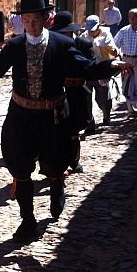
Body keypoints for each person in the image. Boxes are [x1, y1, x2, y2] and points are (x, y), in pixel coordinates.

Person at [0, 0, 126, 242]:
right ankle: (28, 220)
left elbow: (86, 69)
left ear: (46, 19)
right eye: (27, 20)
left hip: (52, 117)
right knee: (21, 170)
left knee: (55, 163)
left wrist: (111, 66)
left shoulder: (62, 45)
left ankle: (57, 186)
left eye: (36, 19)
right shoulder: (14, 47)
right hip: (20, 117)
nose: (31, 24)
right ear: (22, 20)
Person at [49, 12, 95, 173]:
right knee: (59, 129)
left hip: (78, 92)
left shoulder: (84, 45)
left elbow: (91, 67)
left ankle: (74, 161)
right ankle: (60, 162)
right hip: (59, 92)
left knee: (75, 129)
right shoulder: (54, 46)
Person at [84, 15, 118, 127]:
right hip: (89, 71)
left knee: (103, 97)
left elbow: (112, 50)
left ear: (98, 26)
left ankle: (106, 115)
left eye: (93, 30)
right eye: (90, 30)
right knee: (87, 98)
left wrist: (113, 52)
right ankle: (90, 122)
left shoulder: (106, 34)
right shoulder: (84, 36)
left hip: (102, 70)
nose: (91, 33)